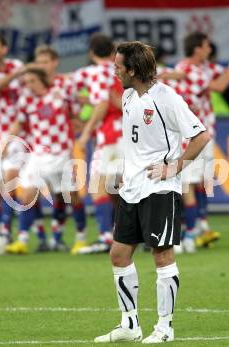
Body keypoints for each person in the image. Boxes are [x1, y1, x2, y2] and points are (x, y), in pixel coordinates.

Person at [94, 41, 210, 343]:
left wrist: (175, 168)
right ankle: (130, 325)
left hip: (159, 188)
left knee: (162, 256)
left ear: (133, 69)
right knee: (119, 255)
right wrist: (124, 171)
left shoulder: (167, 98)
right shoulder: (129, 96)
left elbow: (200, 135)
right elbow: (136, 144)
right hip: (132, 188)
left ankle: (165, 328)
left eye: (119, 66)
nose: (114, 70)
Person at [168, 32, 229, 253]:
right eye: (206, 46)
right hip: (188, 135)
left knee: (200, 181)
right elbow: (220, 85)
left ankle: (199, 227)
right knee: (185, 183)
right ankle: (187, 234)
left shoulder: (204, 67)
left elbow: (223, 74)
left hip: (205, 132)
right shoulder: (188, 69)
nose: (210, 49)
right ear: (197, 48)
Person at [0, 32, 44, 255]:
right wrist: (16, 74)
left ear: (4, 49)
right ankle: (33, 232)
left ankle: (5, 233)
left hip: (16, 135)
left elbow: (31, 90)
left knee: (11, 182)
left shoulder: (16, 66)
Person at [5, 67, 85, 254]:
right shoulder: (26, 101)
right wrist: (8, 143)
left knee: (71, 197)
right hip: (38, 154)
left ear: (42, 80)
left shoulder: (59, 95)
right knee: (27, 196)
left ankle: (80, 238)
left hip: (61, 154)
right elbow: (20, 123)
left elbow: (76, 116)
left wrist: (80, 130)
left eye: (32, 81)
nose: (29, 85)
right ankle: (22, 240)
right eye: (26, 82)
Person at [74, 33, 124, 254]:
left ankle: (106, 237)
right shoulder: (120, 69)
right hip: (128, 134)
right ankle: (138, 234)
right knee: (123, 189)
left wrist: (86, 132)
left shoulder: (95, 72)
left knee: (98, 186)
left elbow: (102, 103)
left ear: (91, 53)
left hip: (110, 137)